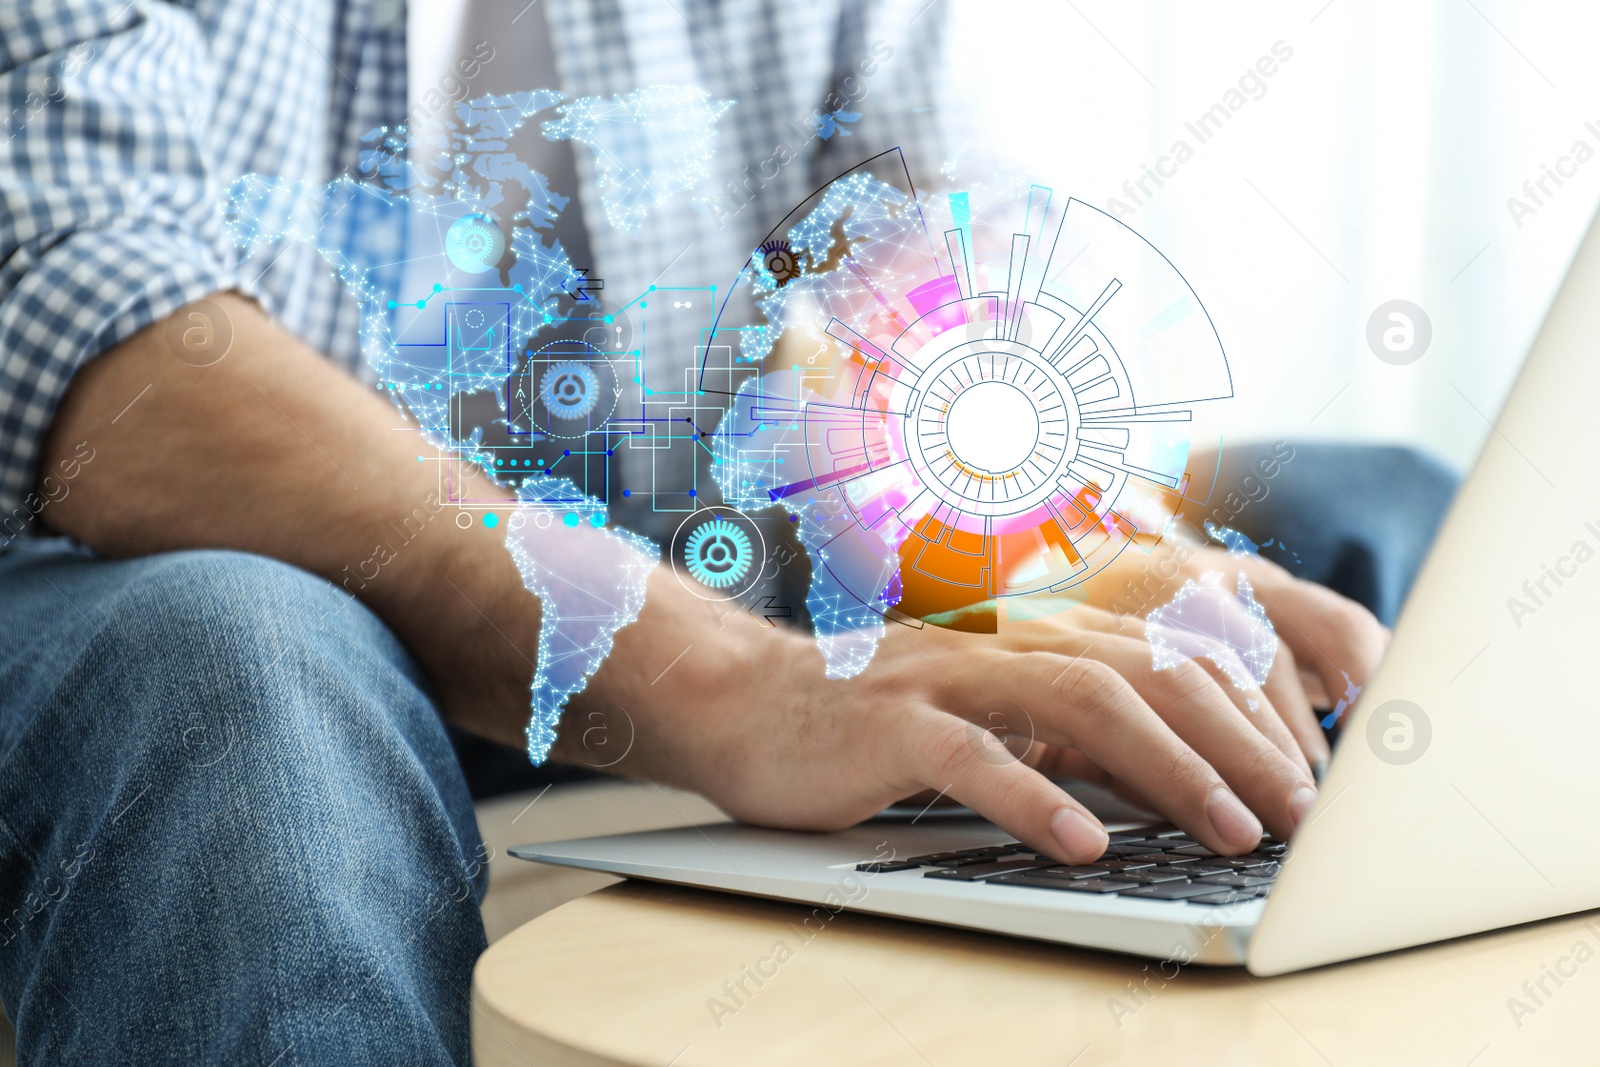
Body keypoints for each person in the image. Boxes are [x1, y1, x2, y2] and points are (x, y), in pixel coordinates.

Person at [0, 1, 1457, 1062]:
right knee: (243, 660)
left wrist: (1066, 543)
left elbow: (934, 266)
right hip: (141, 594)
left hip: (663, 564)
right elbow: (102, 325)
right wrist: (719, 682)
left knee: (1347, 525)